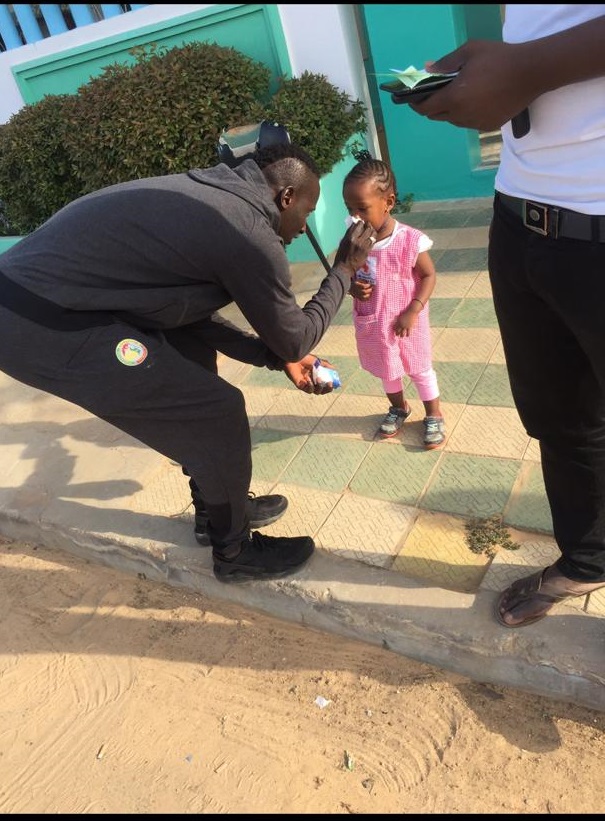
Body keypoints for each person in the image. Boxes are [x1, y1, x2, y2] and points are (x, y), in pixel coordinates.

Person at [0, 142, 377, 584]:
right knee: (217, 412)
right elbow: (296, 336)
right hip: (40, 323)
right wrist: (345, 269)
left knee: (195, 361)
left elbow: (186, 314)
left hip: (48, 303)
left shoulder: (216, 196)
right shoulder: (247, 228)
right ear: (286, 197)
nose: (303, 225)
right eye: (307, 212)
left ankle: (216, 508)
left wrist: (273, 359)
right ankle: (234, 551)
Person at [408, 4, 605, 626]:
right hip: (520, 215)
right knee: (562, 417)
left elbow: (535, 56)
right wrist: (481, 72)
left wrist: (526, 68)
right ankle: (591, 559)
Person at [343, 158, 445, 449]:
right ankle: (399, 407)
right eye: (349, 208)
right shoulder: (354, 236)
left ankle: (434, 413)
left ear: (387, 201)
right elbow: (346, 268)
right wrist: (352, 286)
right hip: (374, 319)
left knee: (419, 367)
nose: (355, 216)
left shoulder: (409, 241)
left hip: (406, 321)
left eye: (362, 208)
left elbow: (428, 274)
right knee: (387, 368)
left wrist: (413, 309)